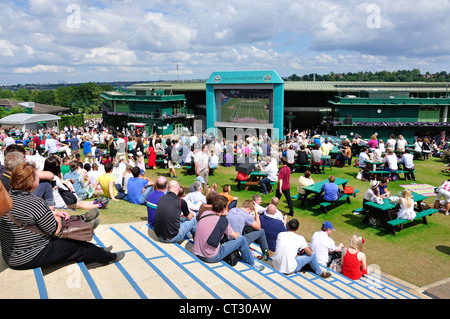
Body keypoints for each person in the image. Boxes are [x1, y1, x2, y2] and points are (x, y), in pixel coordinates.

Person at [0, 162, 124, 270]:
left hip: (13, 252)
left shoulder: (8, 197)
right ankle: (108, 257)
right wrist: (57, 218)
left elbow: (26, 217)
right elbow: (54, 230)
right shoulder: (34, 202)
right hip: (27, 255)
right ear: (32, 182)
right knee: (76, 246)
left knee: (73, 242)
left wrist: (53, 213)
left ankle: (97, 251)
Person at [192, 195, 264, 271]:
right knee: (242, 239)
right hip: (211, 256)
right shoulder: (222, 221)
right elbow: (235, 236)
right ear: (224, 209)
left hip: (197, 252)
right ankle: (252, 263)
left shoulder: (205, 213)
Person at [43, 155, 108, 210]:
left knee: (80, 203)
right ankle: (99, 205)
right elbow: (64, 188)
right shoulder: (55, 178)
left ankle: (95, 202)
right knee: (79, 205)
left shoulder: (44, 177)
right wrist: (67, 185)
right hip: (59, 203)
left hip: (54, 201)